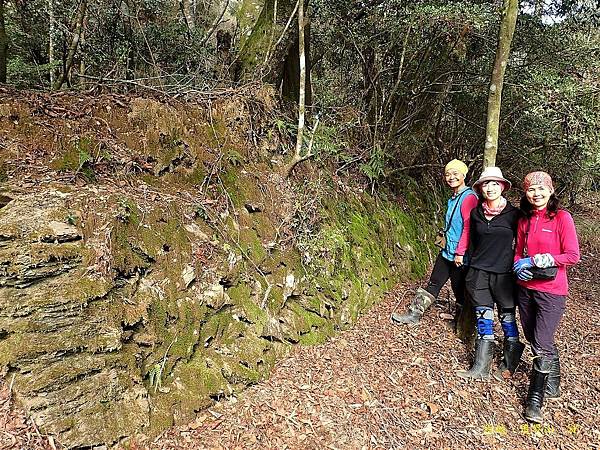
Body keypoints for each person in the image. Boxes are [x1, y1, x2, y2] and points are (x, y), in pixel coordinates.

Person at [512, 171, 580, 423]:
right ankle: (553, 384)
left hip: (552, 291)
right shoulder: (525, 220)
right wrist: (520, 264)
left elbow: (572, 255)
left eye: (541, 189)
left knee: (541, 339)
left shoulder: (562, 218)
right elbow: (518, 252)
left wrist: (548, 258)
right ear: (526, 193)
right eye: (531, 190)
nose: (536, 194)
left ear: (550, 191)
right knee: (533, 336)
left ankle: (535, 399)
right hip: (526, 288)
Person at [455, 167, 524, 380]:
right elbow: (468, 234)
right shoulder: (476, 212)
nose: (490, 188)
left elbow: (523, 242)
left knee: (507, 317)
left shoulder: (514, 215)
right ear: (480, 188)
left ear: (502, 187)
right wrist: (460, 252)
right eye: (486, 184)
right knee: (483, 316)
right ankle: (481, 367)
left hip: (504, 274)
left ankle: (510, 362)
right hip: (478, 272)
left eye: (495, 183)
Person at [391, 159, 478, 326]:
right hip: (447, 251)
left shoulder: (469, 198)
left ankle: (462, 323)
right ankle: (413, 314)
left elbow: (468, 227)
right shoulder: (454, 197)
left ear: (464, 175)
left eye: (455, 173)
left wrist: (460, 253)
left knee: (459, 290)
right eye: (447, 174)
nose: (451, 177)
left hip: (460, 255)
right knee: (434, 282)